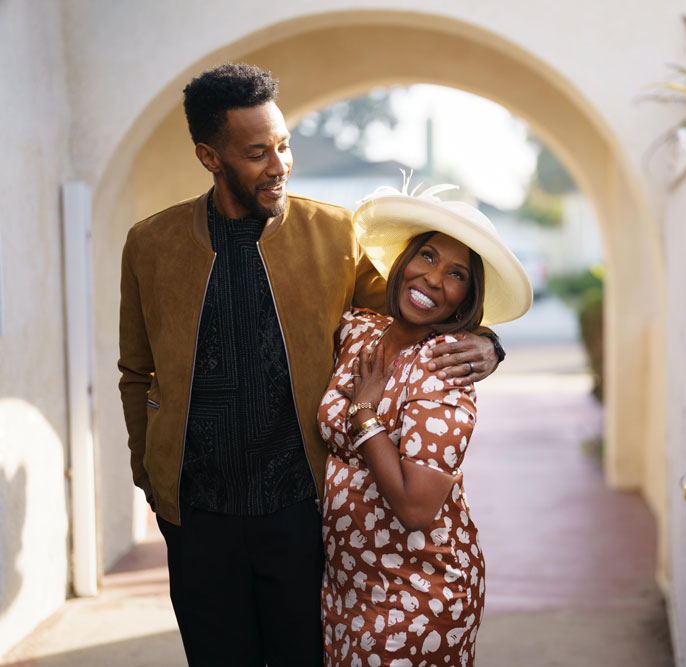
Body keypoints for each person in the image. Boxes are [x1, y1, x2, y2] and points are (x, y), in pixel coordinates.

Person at [117, 63, 503, 666]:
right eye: (256, 153)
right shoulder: (151, 244)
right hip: (199, 520)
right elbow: (136, 373)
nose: (279, 166)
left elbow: (420, 306)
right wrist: (152, 475)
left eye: (284, 145)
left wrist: (488, 343)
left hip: (300, 517)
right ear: (209, 156)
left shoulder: (333, 234)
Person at [317, 181, 532, 666]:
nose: (434, 279)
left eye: (455, 274)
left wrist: (365, 415)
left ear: (465, 300)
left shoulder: (442, 372)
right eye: (428, 256)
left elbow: (416, 508)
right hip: (346, 588)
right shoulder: (356, 332)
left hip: (417, 595)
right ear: (403, 262)